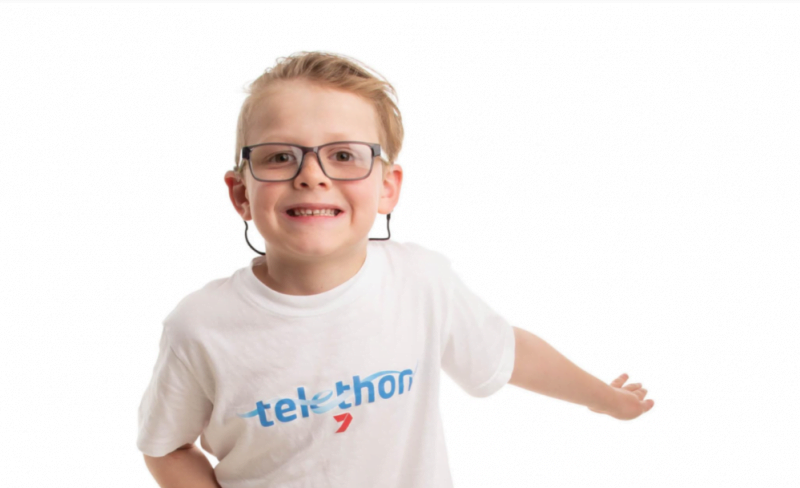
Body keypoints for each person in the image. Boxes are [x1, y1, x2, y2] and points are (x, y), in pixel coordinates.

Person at [136, 51, 655, 488]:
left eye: (343, 154)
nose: (312, 176)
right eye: (278, 157)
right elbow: (166, 446)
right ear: (240, 193)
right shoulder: (200, 326)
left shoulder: (421, 282)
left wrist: (605, 399)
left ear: (387, 188)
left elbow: (509, 352)